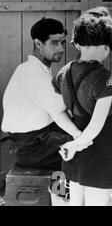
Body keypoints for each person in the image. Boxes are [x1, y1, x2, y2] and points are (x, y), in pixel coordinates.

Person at [52, 7, 112, 206]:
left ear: (77, 43)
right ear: (106, 47)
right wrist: (79, 143)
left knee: (76, 203)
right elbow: (96, 125)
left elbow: (57, 112)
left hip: (75, 152)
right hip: (102, 151)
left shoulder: (63, 74)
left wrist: (75, 137)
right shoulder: (106, 80)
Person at [1, 18, 82, 171]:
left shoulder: (41, 70)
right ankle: (62, 193)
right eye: (54, 43)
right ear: (38, 43)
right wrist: (79, 136)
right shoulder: (30, 71)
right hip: (30, 146)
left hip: (40, 139)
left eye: (62, 43)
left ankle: (62, 191)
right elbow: (59, 109)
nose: (60, 48)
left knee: (83, 143)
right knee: (86, 149)